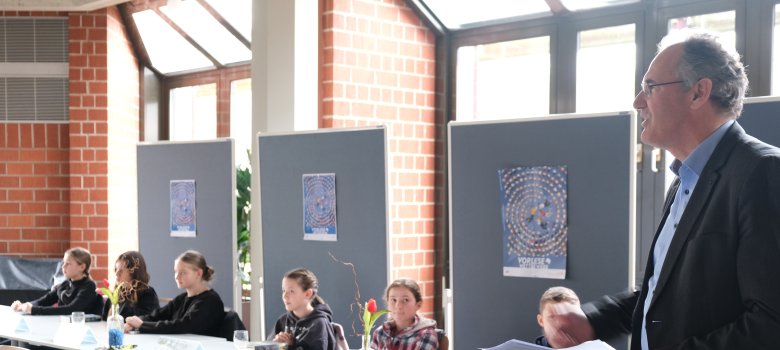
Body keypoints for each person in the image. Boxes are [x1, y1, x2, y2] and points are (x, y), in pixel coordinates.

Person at [546, 31, 780, 349]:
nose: (637, 102)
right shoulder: (684, 179)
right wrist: (592, 320)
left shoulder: (763, 172)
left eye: (650, 87)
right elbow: (663, 292)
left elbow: (770, 324)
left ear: (698, 93)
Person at [123, 250, 224, 337]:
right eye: (176, 272)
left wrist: (142, 325)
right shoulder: (182, 298)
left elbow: (183, 326)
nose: (177, 277)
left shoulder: (211, 300)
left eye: (183, 272)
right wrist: (135, 321)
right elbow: (158, 315)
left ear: (198, 273)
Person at [11, 247, 101, 315]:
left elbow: (70, 310)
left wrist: (33, 310)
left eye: (68, 264)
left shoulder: (89, 286)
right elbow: (45, 301)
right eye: (63, 263)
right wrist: (24, 305)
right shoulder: (65, 284)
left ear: (82, 267)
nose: (63, 266)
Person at [272, 268, 336, 350]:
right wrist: (276, 345)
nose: (285, 296)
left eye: (291, 291)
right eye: (284, 290)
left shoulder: (319, 324)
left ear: (308, 293)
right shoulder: (282, 321)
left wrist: (289, 347)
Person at [370, 278, 438, 350]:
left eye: (405, 300)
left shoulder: (426, 335)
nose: (398, 306)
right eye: (394, 300)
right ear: (387, 303)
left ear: (418, 305)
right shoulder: (380, 332)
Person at [101, 251, 160, 320]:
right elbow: (104, 317)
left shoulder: (147, 293)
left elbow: (147, 319)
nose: (116, 274)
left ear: (134, 273)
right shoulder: (117, 293)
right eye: (116, 270)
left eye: (121, 271)